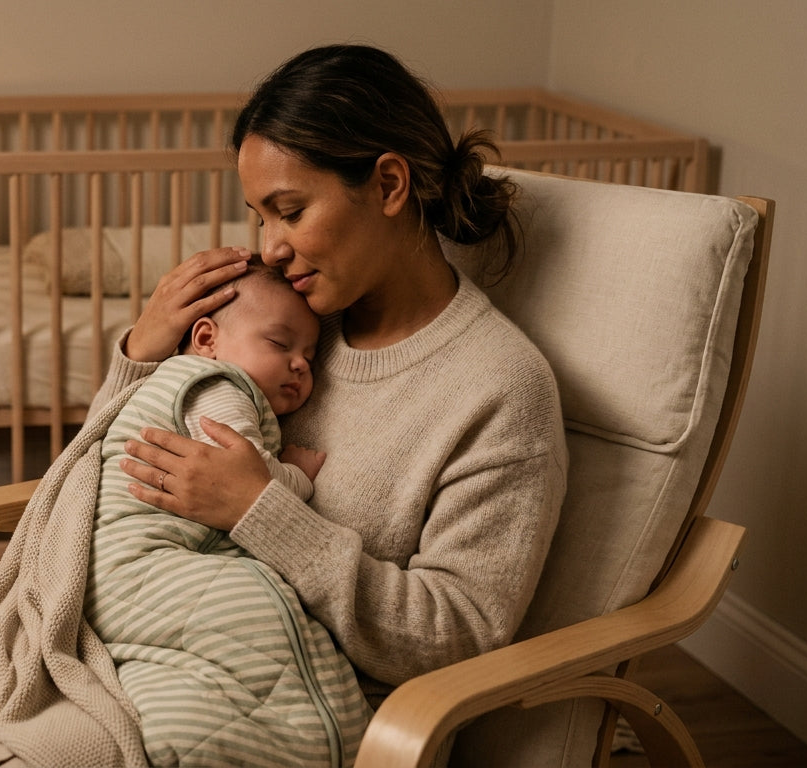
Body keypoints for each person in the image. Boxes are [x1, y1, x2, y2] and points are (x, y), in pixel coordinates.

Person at [98, 42, 569, 714]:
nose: (269, 248)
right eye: (260, 217)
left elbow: (461, 634)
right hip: (141, 660)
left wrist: (263, 513)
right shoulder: (283, 331)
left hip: (292, 721)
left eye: (290, 211)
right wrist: (140, 360)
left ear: (388, 185)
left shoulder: (500, 390)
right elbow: (96, 496)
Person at [84, 256, 371, 766]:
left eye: (309, 354)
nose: (302, 364)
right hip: (152, 559)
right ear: (207, 339)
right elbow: (245, 477)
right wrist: (296, 474)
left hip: (120, 571)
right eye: (281, 345)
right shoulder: (216, 387)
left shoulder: (182, 380)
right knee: (259, 619)